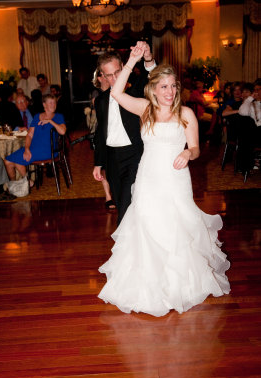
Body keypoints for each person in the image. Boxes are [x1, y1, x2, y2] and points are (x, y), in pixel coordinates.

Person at [97, 43, 231, 317]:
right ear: (153, 90)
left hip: (175, 179)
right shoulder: (145, 109)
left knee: (175, 227)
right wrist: (132, 60)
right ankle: (148, 283)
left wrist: (187, 152)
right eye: (164, 87)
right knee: (147, 224)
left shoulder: (186, 114)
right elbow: (116, 92)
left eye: (173, 86)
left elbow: (195, 148)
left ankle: (178, 284)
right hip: (148, 178)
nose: (170, 92)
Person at [93, 42, 156, 224]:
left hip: (135, 153)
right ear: (102, 76)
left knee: (129, 201)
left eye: (117, 73)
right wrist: (98, 163)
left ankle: (124, 244)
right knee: (120, 201)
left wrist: (147, 57)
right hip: (113, 157)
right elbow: (100, 134)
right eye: (109, 75)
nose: (114, 79)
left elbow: (150, 74)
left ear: (123, 68)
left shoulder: (136, 90)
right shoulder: (101, 101)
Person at [4, 94, 66, 184]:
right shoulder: (37, 116)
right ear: (44, 105)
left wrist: (50, 121)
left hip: (48, 150)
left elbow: (63, 131)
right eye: (50, 103)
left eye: (54, 103)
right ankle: (16, 184)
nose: (53, 105)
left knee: (15, 160)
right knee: (7, 161)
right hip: (33, 148)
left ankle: (26, 182)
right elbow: (29, 135)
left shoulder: (58, 116)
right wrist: (26, 148)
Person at [90, 67, 115, 209]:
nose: (109, 77)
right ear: (99, 78)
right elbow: (102, 116)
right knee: (104, 166)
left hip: (116, 132)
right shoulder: (97, 95)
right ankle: (108, 196)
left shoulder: (117, 90)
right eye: (105, 75)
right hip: (104, 133)